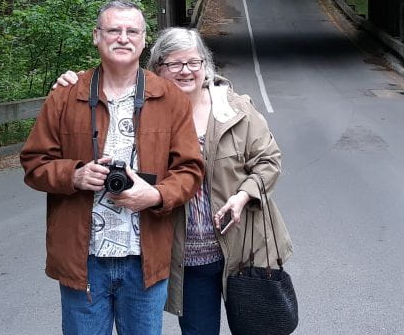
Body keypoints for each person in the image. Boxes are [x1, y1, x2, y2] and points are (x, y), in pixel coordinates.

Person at [54, 26, 292, 335]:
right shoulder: (142, 111)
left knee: (259, 330)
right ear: (157, 68)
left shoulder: (234, 108)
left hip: (244, 249)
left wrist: (243, 195)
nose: (186, 71)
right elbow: (102, 100)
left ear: (205, 65)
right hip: (187, 258)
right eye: (175, 64)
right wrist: (70, 85)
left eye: (194, 62)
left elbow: (269, 161)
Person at [21, 0, 204, 335]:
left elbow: (190, 170)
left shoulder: (169, 98)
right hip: (83, 260)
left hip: (145, 260)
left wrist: (155, 195)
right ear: (96, 36)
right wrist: (73, 175)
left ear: (144, 39)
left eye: (132, 30)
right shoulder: (66, 95)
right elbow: (33, 163)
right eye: (113, 30)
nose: (123, 37)